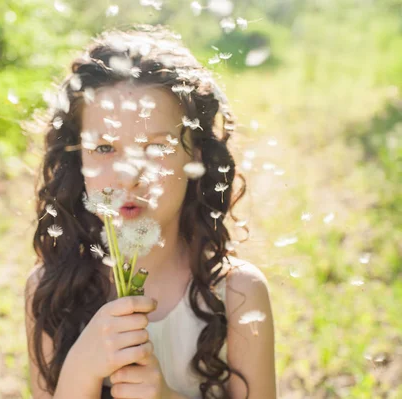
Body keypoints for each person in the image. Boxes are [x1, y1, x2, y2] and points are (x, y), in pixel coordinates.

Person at [24, 24, 276, 399]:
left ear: (197, 156)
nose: (129, 176)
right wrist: (82, 368)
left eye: (156, 149)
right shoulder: (49, 290)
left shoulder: (237, 293)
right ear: (77, 159)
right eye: (105, 149)